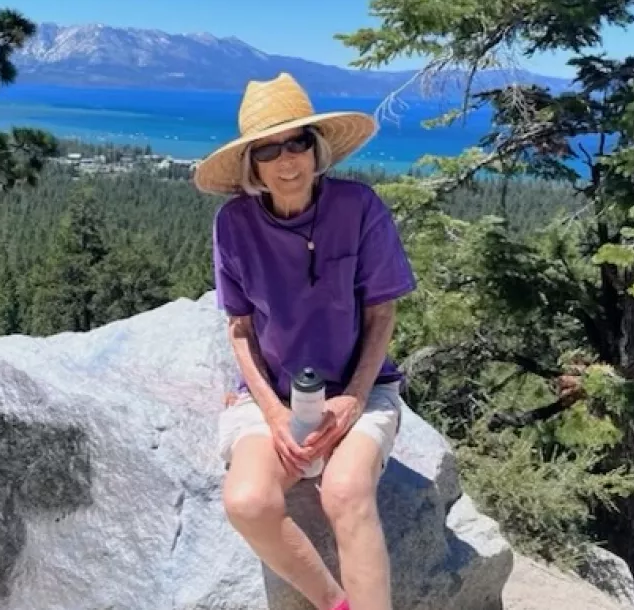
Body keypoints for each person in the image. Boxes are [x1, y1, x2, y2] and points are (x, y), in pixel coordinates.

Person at [193, 72, 417, 610]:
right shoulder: (234, 225)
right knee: (248, 502)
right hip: (270, 393)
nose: (286, 160)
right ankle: (335, 603)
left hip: (360, 390)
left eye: (297, 142)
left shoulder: (359, 208)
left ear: (316, 150)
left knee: (345, 492)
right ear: (253, 167)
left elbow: (382, 313)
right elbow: (240, 328)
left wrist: (354, 398)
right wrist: (272, 413)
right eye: (269, 150)